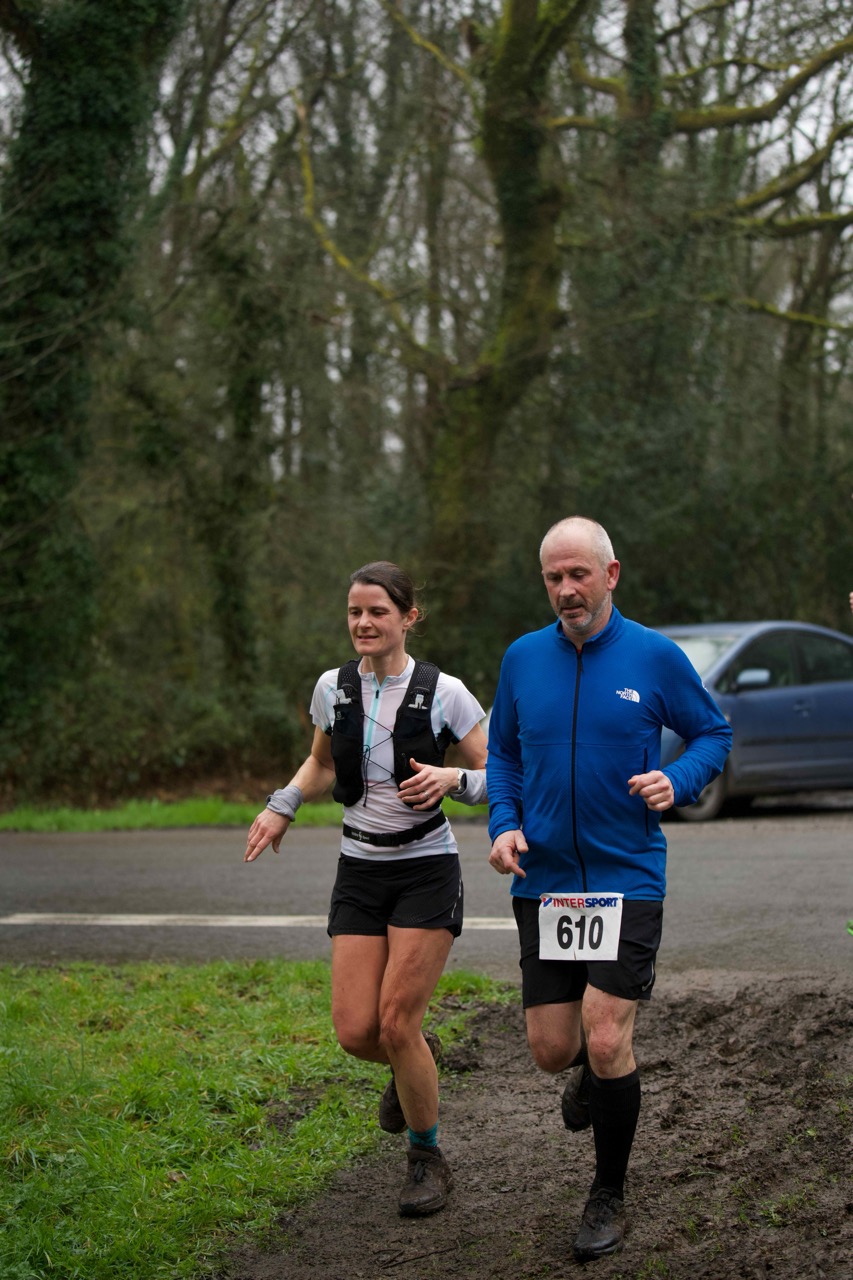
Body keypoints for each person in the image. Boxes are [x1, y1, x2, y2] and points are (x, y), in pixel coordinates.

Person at [486, 517, 732, 1263]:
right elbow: (503, 756)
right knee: (551, 1049)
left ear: (610, 574)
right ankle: (593, 1078)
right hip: (544, 882)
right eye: (553, 578)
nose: (566, 589)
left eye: (578, 575)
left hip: (628, 875)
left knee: (604, 1033)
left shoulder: (654, 656)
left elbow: (712, 734)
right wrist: (504, 824)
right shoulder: (522, 658)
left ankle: (608, 1194)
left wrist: (677, 779)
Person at [244, 561, 487, 1218]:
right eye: (355, 611)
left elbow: (500, 774)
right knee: (357, 1032)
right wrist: (284, 803)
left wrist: (453, 780)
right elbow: (322, 763)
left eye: (378, 611)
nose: (364, 622)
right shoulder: (333, 687)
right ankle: (416, 1058)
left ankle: (426, 1158)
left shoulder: (446, 692)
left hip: (425, 868)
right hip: (359, 869)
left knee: (396, 1021)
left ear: (408, 617)